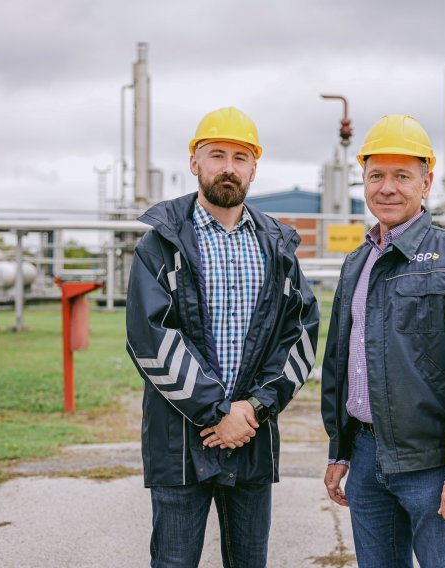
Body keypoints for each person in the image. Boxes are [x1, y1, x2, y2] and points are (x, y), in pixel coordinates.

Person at [126, 106, 319, 568]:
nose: (228, 167)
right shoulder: (161, 243)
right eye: (217, 155)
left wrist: (252, 408)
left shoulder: (277, 247)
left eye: (240, 156)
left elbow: (301, 335)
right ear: (195, 162)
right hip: (179, 439)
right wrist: (218, 412)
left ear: (254, 168)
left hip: (252, 434)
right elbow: (149, 338)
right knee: (174, 561)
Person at [321, 114, 445, 568]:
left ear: (426, 182)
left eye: (402, 175)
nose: (387, 187)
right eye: (376, 175)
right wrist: (340, 450)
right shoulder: (356, 262)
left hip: (432, 466)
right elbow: (339, 362)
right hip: (365, 457)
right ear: (363, 180)